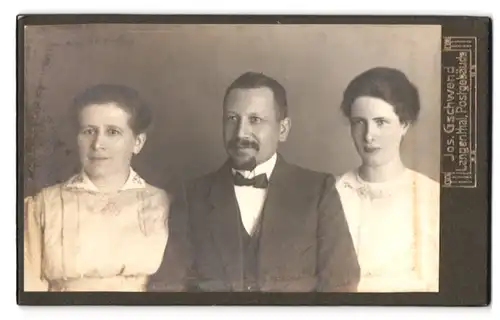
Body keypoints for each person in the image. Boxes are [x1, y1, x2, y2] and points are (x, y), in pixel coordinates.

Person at [158, 71, 360, 292]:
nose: (241, 132)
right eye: (232, 119)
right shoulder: (191, 196)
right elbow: (169, 286)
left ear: (282, 129)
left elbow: (340, 283)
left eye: (255, 120)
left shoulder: (318, 191)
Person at [23, 84, 169, 292]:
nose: (98, 143)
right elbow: (28, 289)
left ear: (138, 142)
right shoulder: (43, 206)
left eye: (113, 132)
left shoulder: (165, 205)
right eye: (89, 131)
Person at [335, 67, 440, 292]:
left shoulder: (432, 197)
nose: (369, 135)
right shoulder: (330, 195)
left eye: (381, 122)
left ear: (404, 125)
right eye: (359, 122)